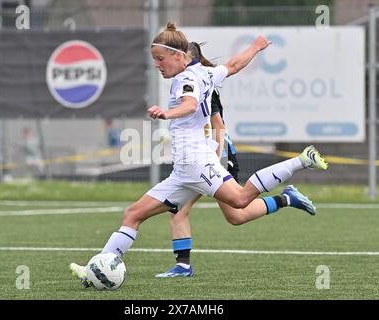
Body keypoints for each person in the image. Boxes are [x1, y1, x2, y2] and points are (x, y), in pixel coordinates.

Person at [69, 22, 328, 288]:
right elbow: (234, 66)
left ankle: (301, 160)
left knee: (239, 202)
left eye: (161, 59)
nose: (157, 65)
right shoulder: (204, 73)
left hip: (198, 163)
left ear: (179, 56)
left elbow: (190, 104)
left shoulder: (186, 79)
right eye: (154, 59)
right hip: (183, 172)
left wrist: (167, 113)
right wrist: (256, 46)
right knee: (133, 214)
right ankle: (98, 268)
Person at [155, 42, 240, 278]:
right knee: (182, 210)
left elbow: (218, 127)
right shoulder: (194, 82)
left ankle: (286, 197)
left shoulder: (201, 85)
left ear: (187, 58)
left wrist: (217, 160)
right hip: (203, 157)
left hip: (214, 156)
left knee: (237, 213)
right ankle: (182, 266)